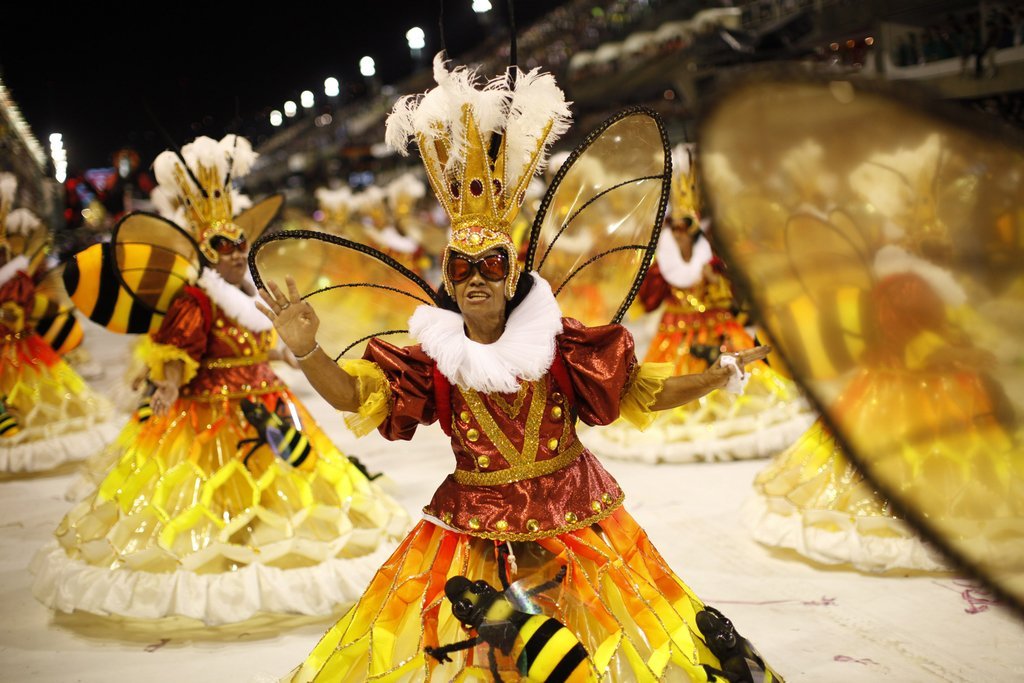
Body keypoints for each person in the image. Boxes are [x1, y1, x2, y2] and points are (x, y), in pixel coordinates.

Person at [257, 55, 783, 681]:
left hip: (576, 516)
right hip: (477, 527)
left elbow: (643, 393)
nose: (476, 279)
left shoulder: (562, 345)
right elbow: (353, 397)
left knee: (598, 636)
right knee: (488, 648)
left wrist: (720, 374)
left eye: (490, 265)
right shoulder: (436, 362)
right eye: (462, 268)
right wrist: (308, 350)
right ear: (448, 278)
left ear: (511, 274)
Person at [31, 135, 408, 625]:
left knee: (283, 473)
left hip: (269, 403)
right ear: (205, 252)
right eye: (220, 246)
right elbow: (178, 348)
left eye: (238, 244)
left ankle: (263, 532)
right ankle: (225, 543)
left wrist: (293, 353)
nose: (232, 254)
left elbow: (262, 342)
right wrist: (169, 382)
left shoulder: (253, 294)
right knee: (213, 483)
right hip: (210, 410)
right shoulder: (196, 299)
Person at [0, 172, 119, 474]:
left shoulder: (17, 279)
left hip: (24, 350)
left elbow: (27, 308)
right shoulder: (16, 277)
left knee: (38, 391)